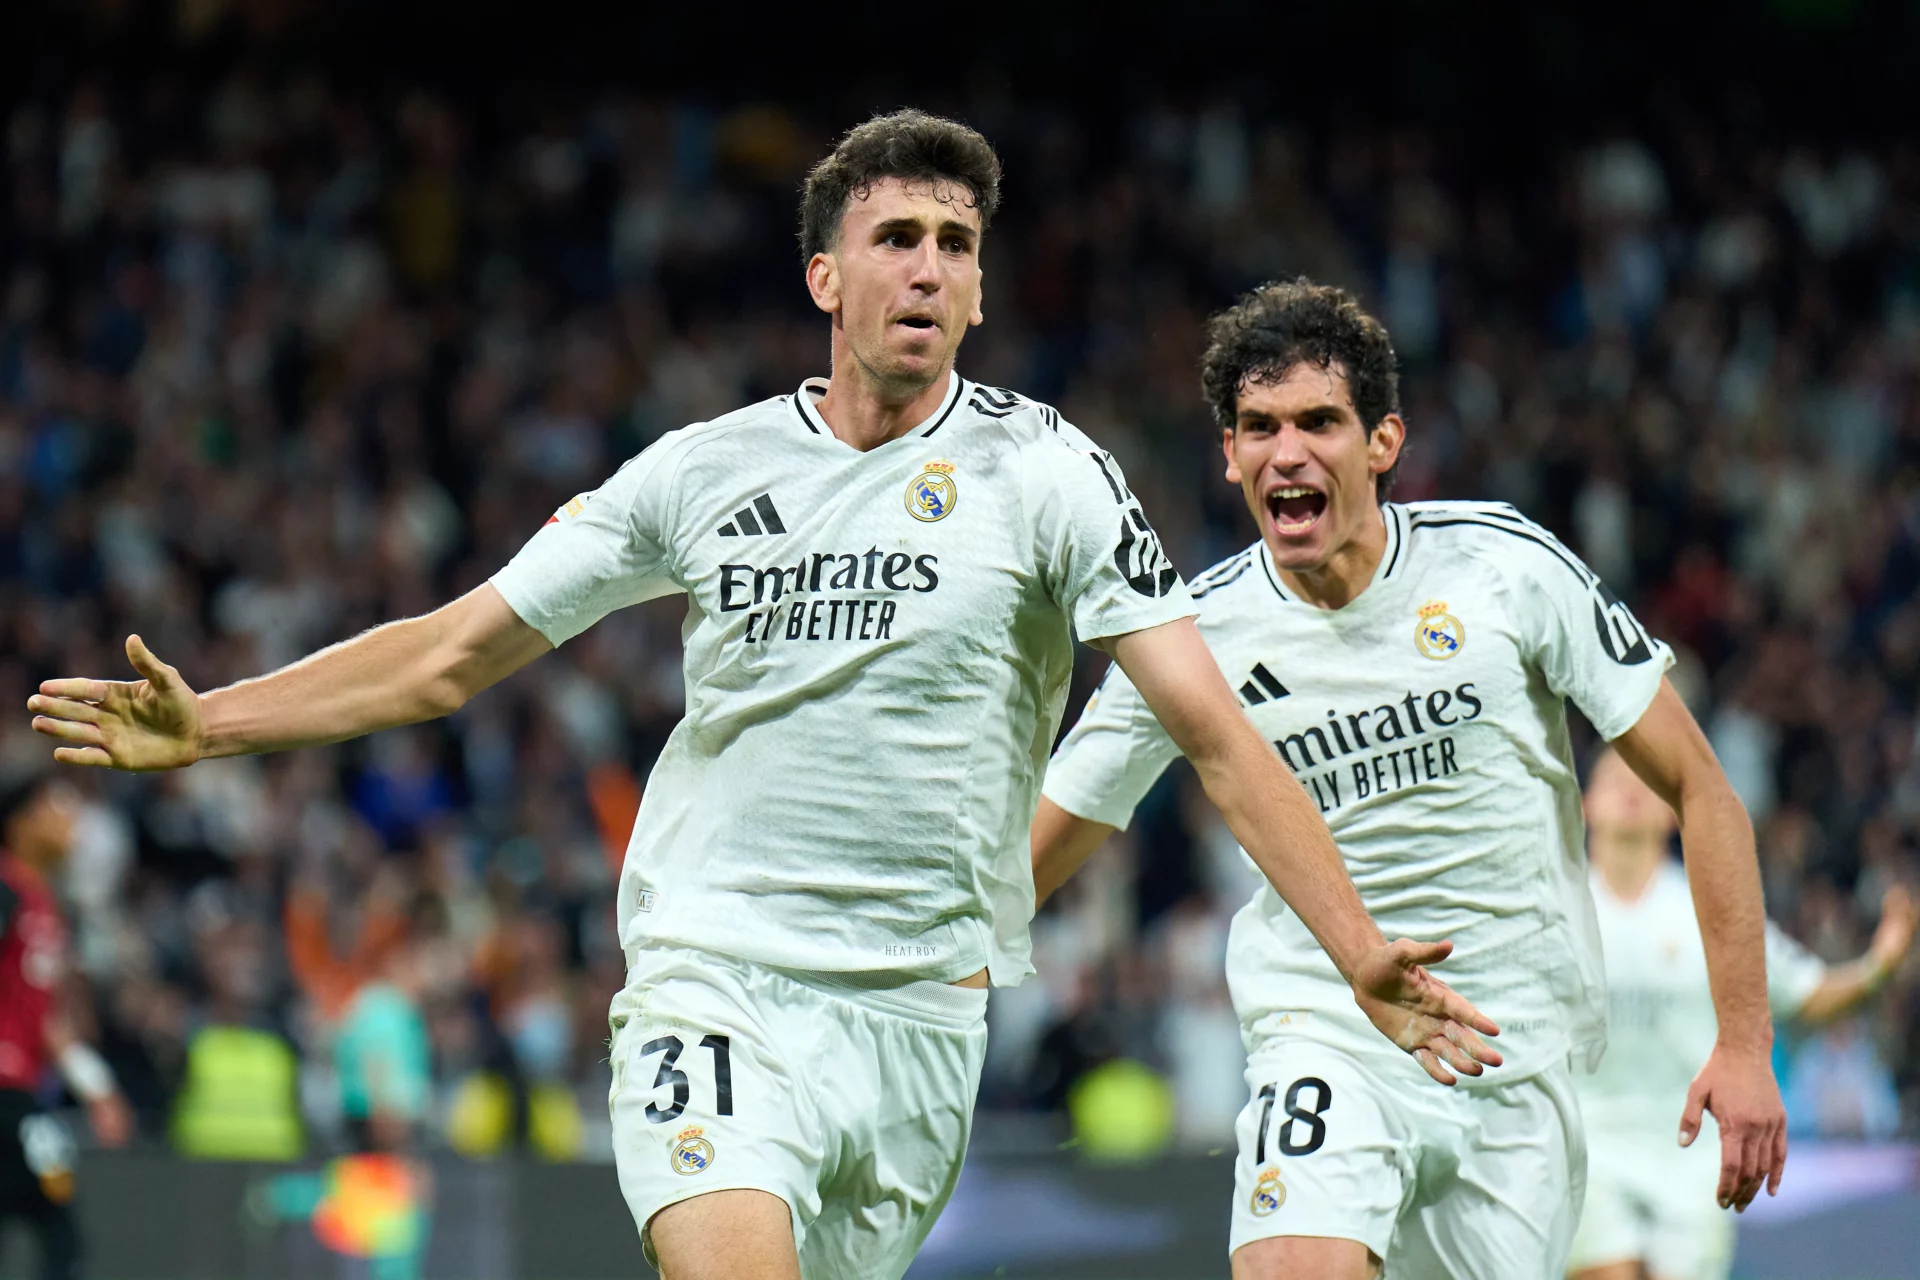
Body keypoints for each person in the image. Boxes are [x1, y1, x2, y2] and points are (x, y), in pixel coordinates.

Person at [25, 115, 1494, 1280]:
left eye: (955, 245)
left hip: (922, 1012)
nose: (926, 267)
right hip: (715, 972)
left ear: (980, 290)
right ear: (826, 280)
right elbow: (450, 652)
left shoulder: (1050, 477)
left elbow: (1213, 730)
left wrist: (1353, 944)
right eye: (896, 239)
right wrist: (212, 721)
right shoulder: (702, 473)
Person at [1033, 278, 1787, 1279]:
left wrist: (1744, 1041)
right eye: (1257, 426)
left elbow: (1703, 788)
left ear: (1384, 440)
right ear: (1227, 453)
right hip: (1325, 1028)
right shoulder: (1192, 639)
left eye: (1318, 422)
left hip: (1511, 1055)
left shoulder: (1505, 569)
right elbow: (1043, 845)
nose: (1285, 452)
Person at [1567, 748, 1918, 1280]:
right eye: (1615, 778)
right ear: (1586, 804)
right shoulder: (1556, 913)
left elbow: (1807, 994)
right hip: (1589, 1152)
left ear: (1671, 810)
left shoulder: (1708, 909)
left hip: (1689, 1161)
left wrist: (1878, 967)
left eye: (1645, 777)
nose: (1631, 789)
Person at [0, 774, 133, 1280]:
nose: (71, 817)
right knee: (59, 1228)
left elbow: (45, 1016)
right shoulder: (6, 890)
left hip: (20, 1099)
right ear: (20, 823)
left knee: (57, 1224)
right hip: (8, 1099)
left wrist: (97, 1088)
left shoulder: (43, 903)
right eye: (57, 804)